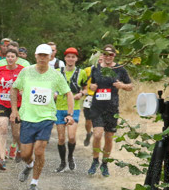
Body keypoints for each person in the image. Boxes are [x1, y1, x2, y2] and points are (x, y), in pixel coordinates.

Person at [10, 44, 74, 190]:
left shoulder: (56, 75)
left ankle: (34, 184)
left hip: (46, 118)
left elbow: (68, 93)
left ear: (50, 57)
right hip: (27, 117)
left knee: (39, 150)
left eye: (46, 55)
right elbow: (14, 88)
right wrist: (14, 110)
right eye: (40, 55)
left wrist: (70, 114)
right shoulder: (26, 72)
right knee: (25, 154)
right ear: (36, 55)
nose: (43, 58)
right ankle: (29, 165)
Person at [86, 44, 133, 177]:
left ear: (114, 55)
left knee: (109, 138)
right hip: (97, 107)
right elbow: (91, 84)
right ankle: (95, 160)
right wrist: (93, 86)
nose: (108, 57)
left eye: (110, 54)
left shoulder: (119, 69)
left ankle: (105, 164)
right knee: (97, 134)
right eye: (105, 54)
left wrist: (121, 85)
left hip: (112, 108)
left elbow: (130, 86)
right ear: (102, 55)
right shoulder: (96, 68)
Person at [0, 42, 25, 170]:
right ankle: (2, 158)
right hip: (2, 102)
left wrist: (23, 91)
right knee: (3, 127)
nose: (10, 58)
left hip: (17, 105)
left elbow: (27, 85)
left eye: (12, 56)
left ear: (16, 58)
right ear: (5, 58)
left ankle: (20, 149)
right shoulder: (0, 70)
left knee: (16, 133)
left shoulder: (22, 70)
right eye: (8, 56)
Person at [53, 46, 84, 172]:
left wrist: (81, 94)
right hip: (59, 107)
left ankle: (70, 156)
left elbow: (86, 88)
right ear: (65, 58)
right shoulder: (56, 71)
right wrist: (53, 93)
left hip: (74, 108)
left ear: (76, 59)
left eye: (73, 57)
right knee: (61, 138)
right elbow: (51, 85)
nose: (70, 59)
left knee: (71, 136)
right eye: (68, 57)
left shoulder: (81, 73)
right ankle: (62, 162)